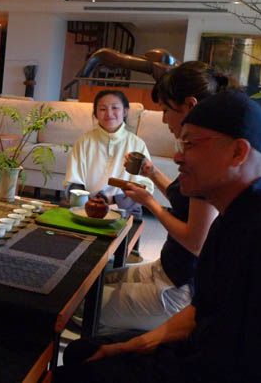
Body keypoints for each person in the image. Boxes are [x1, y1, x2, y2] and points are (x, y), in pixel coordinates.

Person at [56, 91, 261, 383]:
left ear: (238, 153)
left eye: (189, 144)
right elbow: (199, 313)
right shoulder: (228, 219)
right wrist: (131, 346)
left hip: (209, 371)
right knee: (82, 351)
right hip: (195, 352)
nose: (177, 156)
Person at [97, 62, 227, 331]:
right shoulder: (200, 147)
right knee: (92, 281)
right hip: (164, 269)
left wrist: (150, 203)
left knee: (83, 303)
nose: (164, 119)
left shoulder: (208, 160)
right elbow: (185, 199)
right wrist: (151, 172)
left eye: (166, 110)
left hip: (176, 290)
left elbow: (196, 242)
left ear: (190, 106)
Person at [64, 90, 154, 212]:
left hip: (123, 208)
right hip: (88, 206)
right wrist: (87, 202)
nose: (109, 113)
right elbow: (73, 181)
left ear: (125, 111)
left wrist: (115, 202)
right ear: (95, 113)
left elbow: (145, 186)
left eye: (115, 108)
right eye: (102, 109)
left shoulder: (137, 144)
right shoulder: (84, 142)